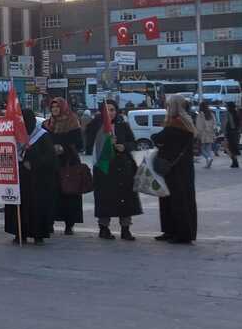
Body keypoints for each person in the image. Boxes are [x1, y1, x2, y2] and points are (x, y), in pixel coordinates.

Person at [84, 101, 142, 241]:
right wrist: (104, 139)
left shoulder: (123, 125)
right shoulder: (95, 126)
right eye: (107, 110)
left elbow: (133, 143)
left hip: (123, 168)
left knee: (125, 199)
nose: (110, 113)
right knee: (105, 199)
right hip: (104, 169)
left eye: (112, 110)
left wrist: (124, 146)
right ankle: (104, 228)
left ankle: (125, 229)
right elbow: (88, 145)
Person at [5, 109, 58, 245]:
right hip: (19, 178)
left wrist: (34, 163)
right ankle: (19, 233)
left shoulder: (42, 136)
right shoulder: (14, 136)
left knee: (36, 207)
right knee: (19, 206)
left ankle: (38, 234)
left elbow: (50, 158)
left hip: (37, 180)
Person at [153, 95, 198, 244]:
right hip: (184, 168)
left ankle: (179, 233)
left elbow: (158, 138)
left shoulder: (175, 123)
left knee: (175, 200)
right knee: (182, 199)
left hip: (173, 168)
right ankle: (174, 231)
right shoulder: (188, 122)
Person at [43, 97, 84, 235]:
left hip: (69, 163)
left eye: (57, 107)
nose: (55, 109)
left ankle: (69, 224)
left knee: (69, 194)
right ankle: (49, 222)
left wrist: (64, 147)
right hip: (52, 164)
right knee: (50, 194)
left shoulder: (72, 122)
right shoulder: (47, 124)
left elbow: (79, 144)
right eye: (53, 107)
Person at [194, 102, 218, 169]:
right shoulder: (211, 114)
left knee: (202, 149)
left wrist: (198, 134)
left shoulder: (200, 115)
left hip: (203, 134)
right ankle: (208, 163)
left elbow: (198, 125)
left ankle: (208, 158)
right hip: (210, 133)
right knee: (208, 149)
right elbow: (215, 123)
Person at [225, 102, 240, 169]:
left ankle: (235, 161)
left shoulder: (229, 113)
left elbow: (231, 124)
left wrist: (227, 131)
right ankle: (235, 161)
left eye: (227, 106)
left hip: (231, 132)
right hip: (236, 132)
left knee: (229, 147)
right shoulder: (236, 113)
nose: (226, 107)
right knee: (233, 147)